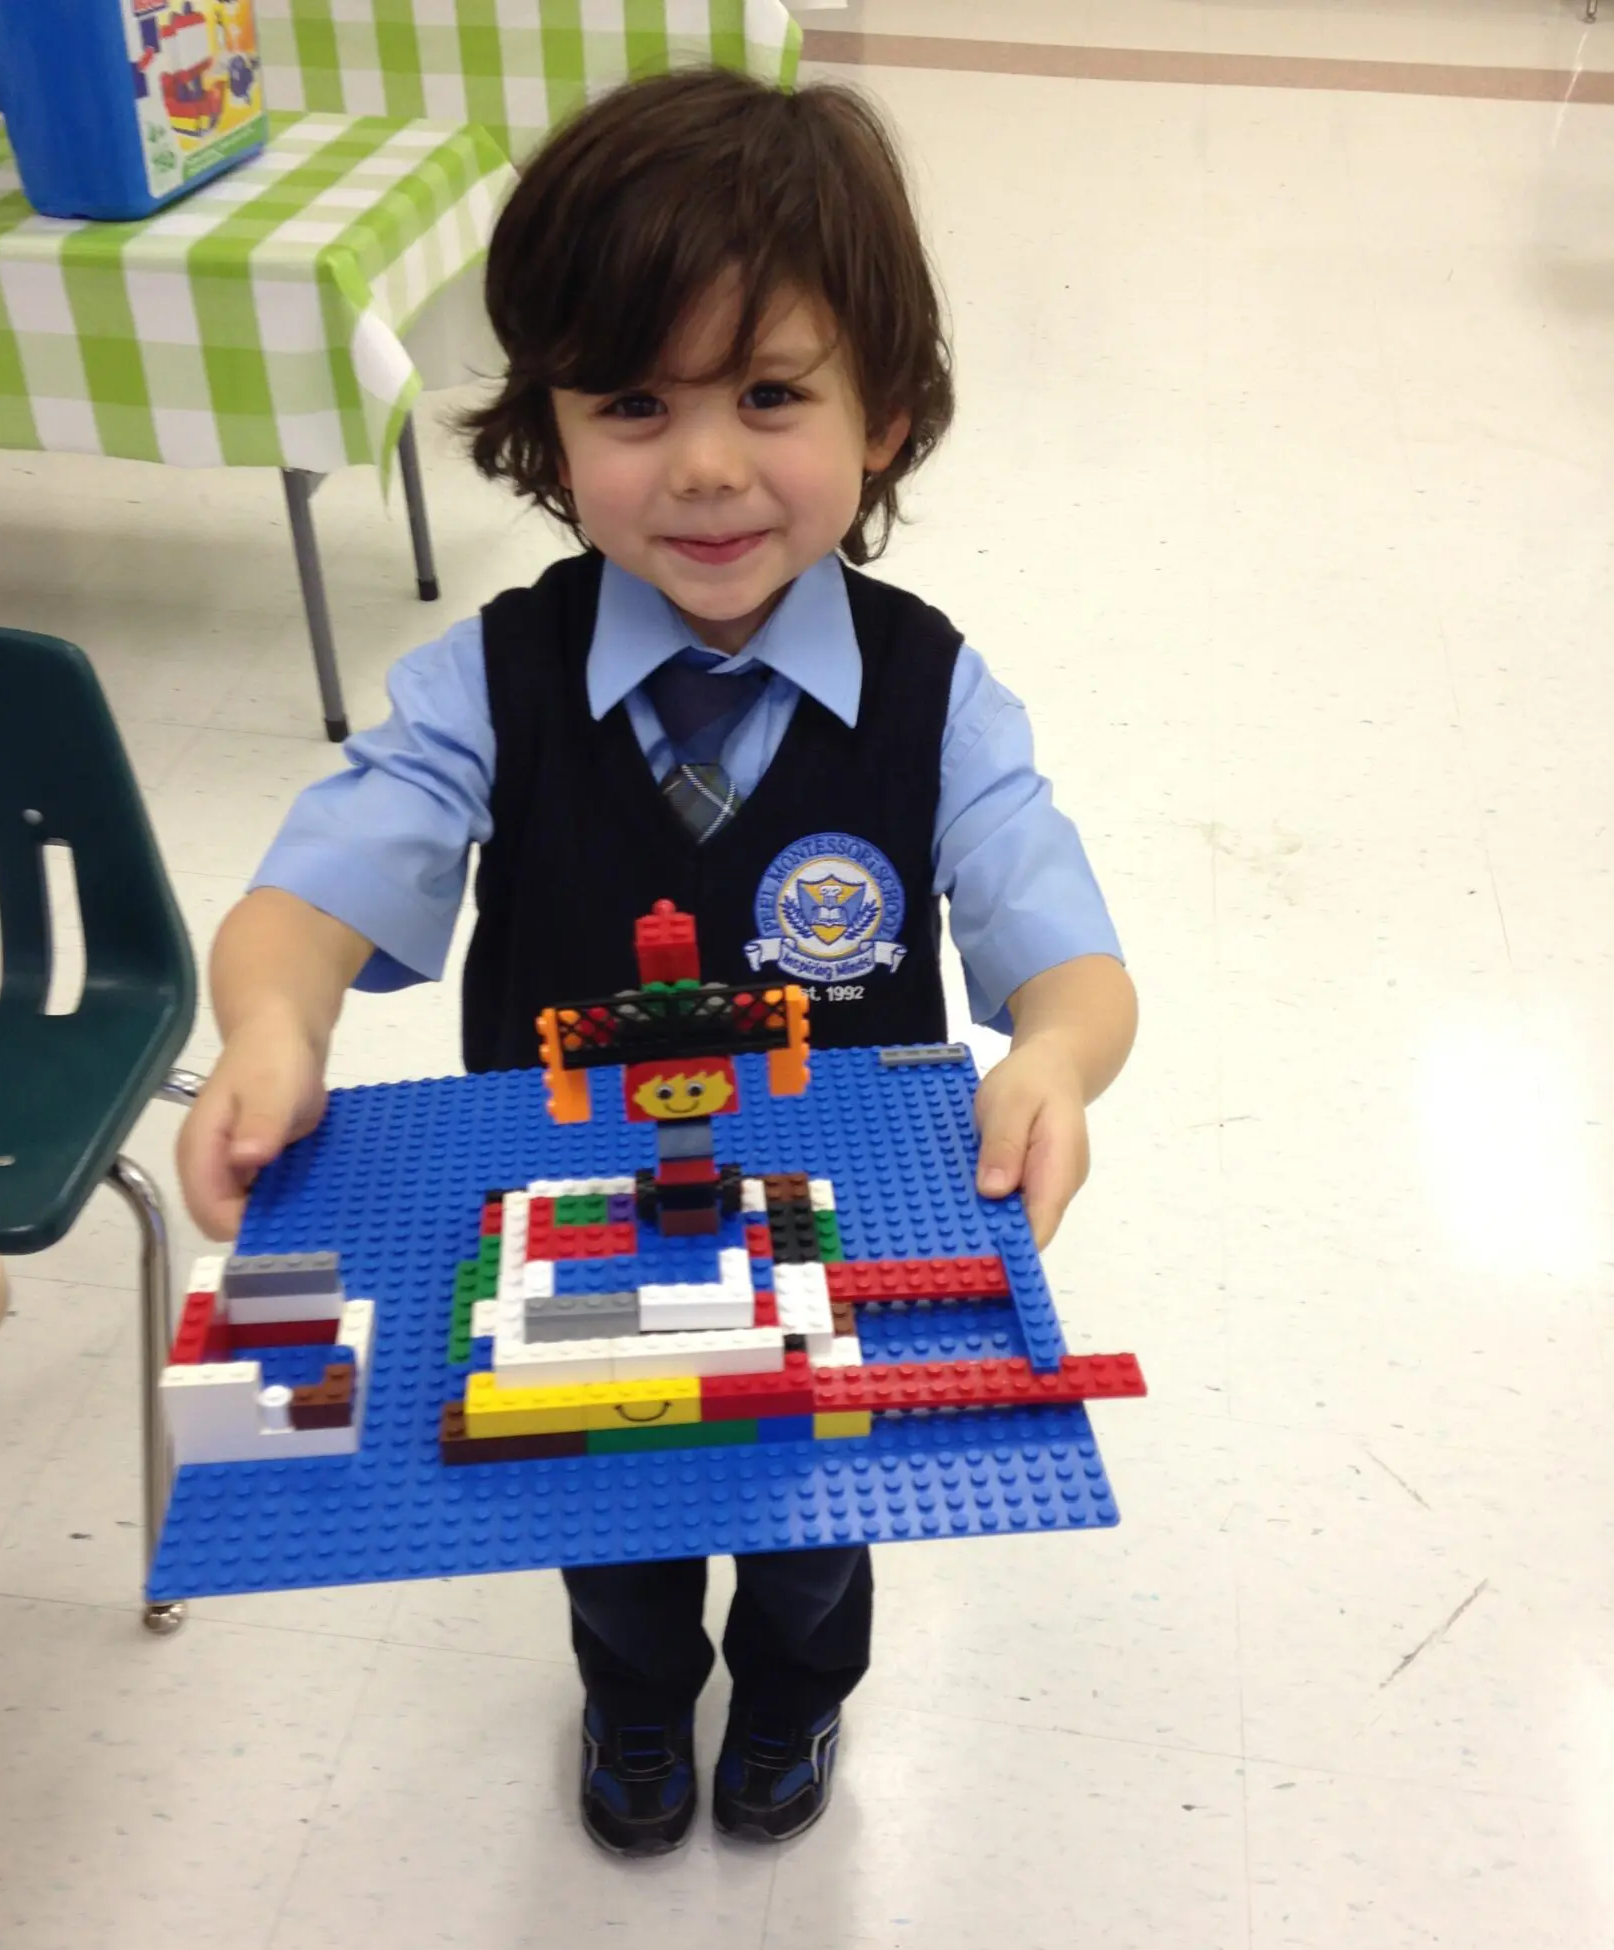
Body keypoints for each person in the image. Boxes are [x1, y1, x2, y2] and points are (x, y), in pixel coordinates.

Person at [175, 69, 1138, 1858]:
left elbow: (1065, 947)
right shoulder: (499, 680)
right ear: (547, 427)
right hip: (566, 1239)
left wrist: (1056, 1061)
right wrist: (270, 1026)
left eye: (769, 395)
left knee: (810, 1511)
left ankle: (789, 1696)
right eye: (633, 401)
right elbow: (312, 890)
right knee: (609, 1516)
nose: (701, 464)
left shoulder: (934, 700)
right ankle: (631, 1692)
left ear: (891, 416)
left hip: (832, 1240)